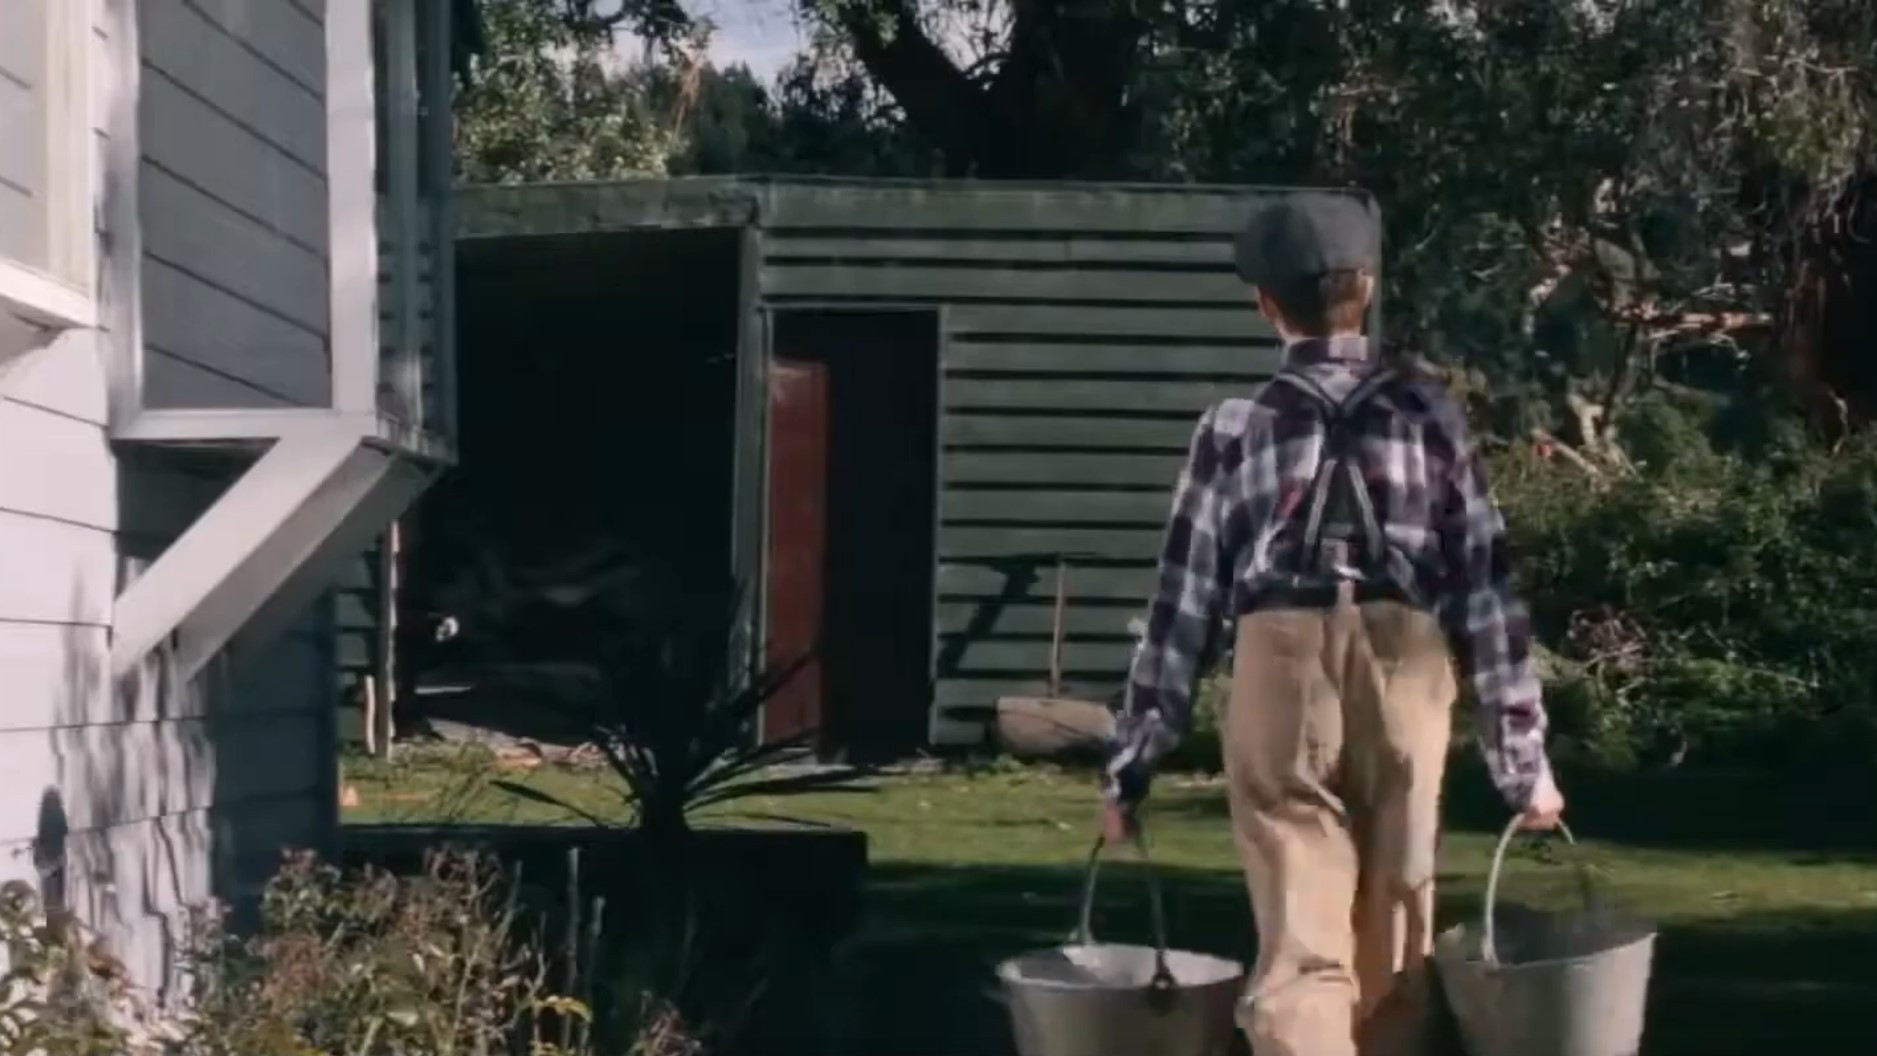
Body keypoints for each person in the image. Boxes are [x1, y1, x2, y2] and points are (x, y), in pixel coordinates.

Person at [1100, 194, 1565, 1056]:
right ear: (1369, 288)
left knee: (1298, 931)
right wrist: (1523, 767)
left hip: (1280, 662)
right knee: (1398, 924)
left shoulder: (1233, 429)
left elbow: (1181, 606)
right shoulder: (1428, 415)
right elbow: (1485, 592)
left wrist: (1131, 766)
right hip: (1404, 664)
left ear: (1264, 304)